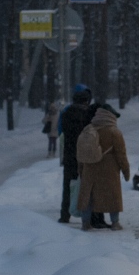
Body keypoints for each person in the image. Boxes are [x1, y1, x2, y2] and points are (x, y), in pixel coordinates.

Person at [78, 101, 131, 231]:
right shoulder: (114, 132)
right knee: (112, 195)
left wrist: (81, 169)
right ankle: (115, 223)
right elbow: (121, 154)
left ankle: (85, 223)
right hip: (109, 169)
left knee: (88, 196)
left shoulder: (88, 129)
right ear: (110, 116)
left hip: (89, 167)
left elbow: (81, 152)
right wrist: (126, 170)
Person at [57, 85, 93, 224]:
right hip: (84, 155)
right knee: (87, 185)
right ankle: (87, 216)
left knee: (67, 186)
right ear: (86, 101)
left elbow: (61, 132)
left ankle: (64, 215)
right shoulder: (89, 115)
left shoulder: (66, 113)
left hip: (69, 155)